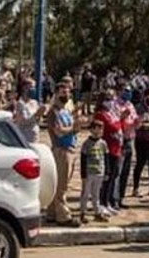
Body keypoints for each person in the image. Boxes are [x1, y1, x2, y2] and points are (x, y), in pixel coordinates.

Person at [45, 84, 79, 226]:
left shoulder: (67, 111)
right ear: (56, 94)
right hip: (60, 149)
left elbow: (72, 128)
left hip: (70, 148)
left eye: (67, 92)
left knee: (63, 181)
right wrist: (72, 128)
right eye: (62, 92)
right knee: (62, 184)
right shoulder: (53, 112)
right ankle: (63, 215)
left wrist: (74, 126)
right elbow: (58, 131)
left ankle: (52, 212)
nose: (65, 95)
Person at [78, 120, 109, 223]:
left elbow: (106, 158)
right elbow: (83, 159)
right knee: (85, 193)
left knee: (96, 194)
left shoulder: (103, 143)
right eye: (97, 128)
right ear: (91, 129)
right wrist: (83, 174)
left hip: (99, 172)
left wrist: (106, 172)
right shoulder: (86, 144)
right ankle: (82, 213)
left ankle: (97, 213)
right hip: (89, 172)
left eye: (101, 128)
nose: (99, 131)